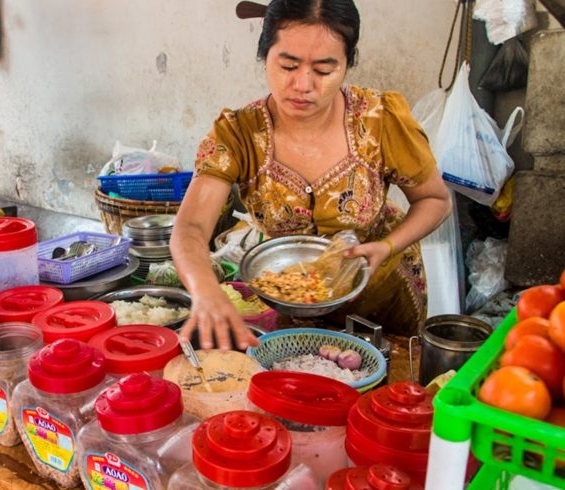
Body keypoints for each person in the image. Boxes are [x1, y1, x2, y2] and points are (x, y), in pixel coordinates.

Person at [170, 0, 452, 350]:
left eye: (323, 70)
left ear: (348, 65)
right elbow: (191, 228)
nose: (302, 84)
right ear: (264, 56)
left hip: (382, 299)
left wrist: (386, 246)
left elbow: (435, 199)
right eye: (287, 65)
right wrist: (205, 290)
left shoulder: (379, 121)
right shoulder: (239, 135)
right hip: (293, 300)